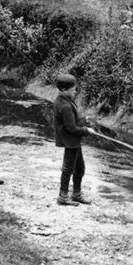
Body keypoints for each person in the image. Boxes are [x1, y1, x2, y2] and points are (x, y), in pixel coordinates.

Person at [53, 73, 95, 206]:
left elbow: (73, 119)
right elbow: (71, 128)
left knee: (80, 168)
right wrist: (87, 131)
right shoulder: (64, 105)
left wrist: (84, 120)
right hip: (70, 141)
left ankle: (76, 194)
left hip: (73, 141)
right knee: (68, 169)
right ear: (64, 90)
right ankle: (63, 197)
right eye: (73, 90)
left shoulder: (65, 100)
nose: (75, 92)